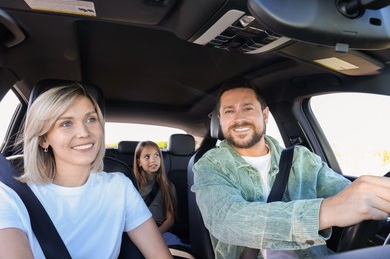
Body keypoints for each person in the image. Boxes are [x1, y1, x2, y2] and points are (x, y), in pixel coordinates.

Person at [191, 78, 390, 258]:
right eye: (229, 111)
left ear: (265, 114)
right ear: (221, 119)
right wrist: (325, 212)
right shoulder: (210, 166)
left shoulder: (301, 159)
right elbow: (228, 220)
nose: (239, 118)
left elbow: (344, 192)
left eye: (248, 108)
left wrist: (375, 197)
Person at [0, 83, 172, 258]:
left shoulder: (120, 187)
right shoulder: (10, 195)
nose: (84, 132)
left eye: (91, 119)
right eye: (66, 123)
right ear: (43, 139)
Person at [133, 141, 183, 247]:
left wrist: (155, 235)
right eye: (147, 157)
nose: (153, 160)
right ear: (139, 162)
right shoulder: (131, 185)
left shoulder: (168, 186)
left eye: (156, 155)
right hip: (135, 231)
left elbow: (170, 219)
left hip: (158, 230)